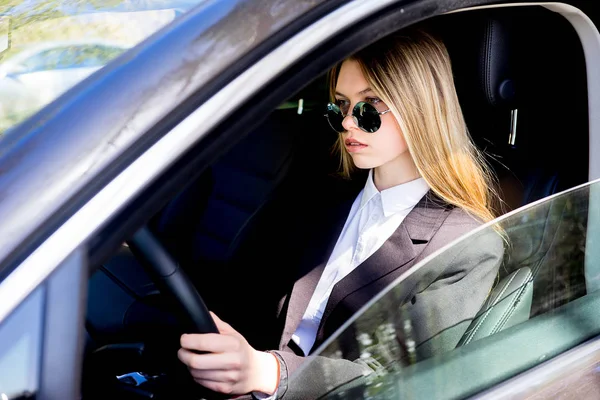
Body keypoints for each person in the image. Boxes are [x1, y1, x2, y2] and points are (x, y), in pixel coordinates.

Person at [176, 28, 504, 399]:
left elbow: (400, 382)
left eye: (367, 107)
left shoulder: (466, 245)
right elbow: (251, 289)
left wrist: (266, 372)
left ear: (420, 108)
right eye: (340, 106)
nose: (349, 122)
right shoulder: (318, 194)